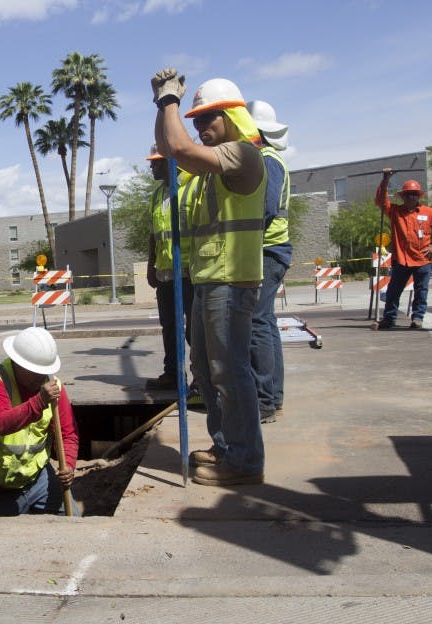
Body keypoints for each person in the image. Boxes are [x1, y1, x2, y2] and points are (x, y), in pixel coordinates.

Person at [153, 69, 266, 486]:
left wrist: (170, 102)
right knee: (206, 368)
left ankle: (245, 460)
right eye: (197, 119)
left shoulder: (242, 155)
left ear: (233, 117)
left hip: (231, 282)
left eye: (208, 118)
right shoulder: (207, 171)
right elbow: (170, 147)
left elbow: (178, 145)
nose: (200, 127)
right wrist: (160, 104)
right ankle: (225, 446)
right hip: (208, 281)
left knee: (230, 370)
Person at [0, 327, 79, 515]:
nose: (41, 378)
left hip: (38, 480)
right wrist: (39, 401)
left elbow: (68, 434)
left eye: (45, 371)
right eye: (36, 372)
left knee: (72, 522)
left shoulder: (54, 388)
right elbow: (1, 423)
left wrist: (68, 465)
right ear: (17, 364)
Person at [247, 100, 294, 422]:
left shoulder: (266, 160)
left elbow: (266, 207)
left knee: (256, 324)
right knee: (265, 323)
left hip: (267, 249)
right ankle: (271, 397)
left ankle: (264, 401)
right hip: (271, 249)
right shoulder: (269, 159)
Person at [144, 145, 193, 391]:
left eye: (156, 162)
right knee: (170, 327)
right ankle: (173, 374)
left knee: (195, 329)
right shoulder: (156, 195)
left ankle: (202, 378)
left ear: (170, 162)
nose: (151, 167)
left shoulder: (191, 187)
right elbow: (154, 234)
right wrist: (151, 266)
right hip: (165, 274)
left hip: (190, 273)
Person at [371, 171, 432, 331]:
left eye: (414, 194)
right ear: (402, 197)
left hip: (423, 259)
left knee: (421, 291)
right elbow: (380, 200)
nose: (411, 197)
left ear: (418, 196)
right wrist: (385, 180)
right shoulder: (395, 211)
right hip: (402, 259)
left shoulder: (429, 213)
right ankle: (389, 318)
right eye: (408, 194)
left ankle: (417, 318)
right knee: (394, 291)